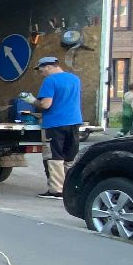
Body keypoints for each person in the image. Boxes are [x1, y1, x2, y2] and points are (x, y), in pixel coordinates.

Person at [32, 56, 83, 199]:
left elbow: (46, 104)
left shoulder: (50, 81)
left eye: (41, 69)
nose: (41, 73)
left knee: (54, 156)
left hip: (54, 123)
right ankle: (70, 188)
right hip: (74, 121)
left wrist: (32, 101)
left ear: (48, 66)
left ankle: (56, 190)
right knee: (70, 156)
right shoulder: (75, 79)